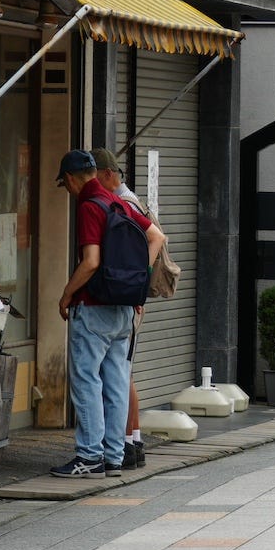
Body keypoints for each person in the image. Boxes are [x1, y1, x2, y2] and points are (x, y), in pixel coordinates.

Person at [54, 148, 165, 479]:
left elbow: (91, 262)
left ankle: (89, 456)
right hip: (124, 309)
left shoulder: (90, 206)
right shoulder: (119, 202)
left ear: (72, 179)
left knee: (87, 380)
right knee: (116, 381)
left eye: (65, 184)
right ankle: (115, 456)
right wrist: (136, 277)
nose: (68, 191)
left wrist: (66, 294)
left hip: (94, 308)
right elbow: (156, 236)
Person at [93, 148, 152, 473]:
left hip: (125, 299)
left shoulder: (122, 203)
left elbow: (155, 238)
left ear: (106, 174)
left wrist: (135, 281)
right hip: (131, 297)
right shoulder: (129, 199)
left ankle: (127, 443)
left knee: (119, 374)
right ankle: (132, 441)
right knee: (123, 373)